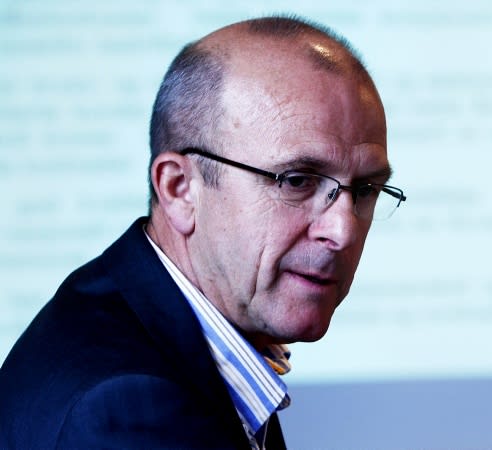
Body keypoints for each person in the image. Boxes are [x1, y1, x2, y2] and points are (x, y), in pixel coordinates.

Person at [0, 15, 405, 449]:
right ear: (179, 189)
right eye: (297, 181)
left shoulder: (134, 324)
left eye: (366, 189)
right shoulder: (125, 407)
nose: (343, 231)